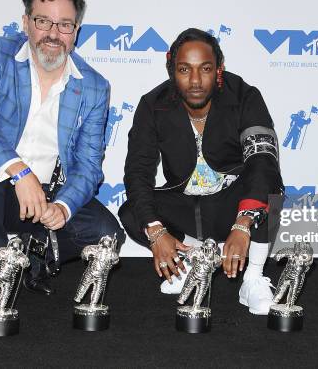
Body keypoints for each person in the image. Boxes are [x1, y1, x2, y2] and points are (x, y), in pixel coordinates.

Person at [0, 0, 124, 307]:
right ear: (26, 22)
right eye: (43, 21)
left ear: (76, 31)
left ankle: (36, 252)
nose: (53, 34)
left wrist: (63, 207)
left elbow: (89, 166)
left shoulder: (95, 87)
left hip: (49, 192)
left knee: (107, 234)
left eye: (65, 25)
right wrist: (20, 173)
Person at [119, 28, 284, 315]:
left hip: (231, 205)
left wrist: (244, 222)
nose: (195, 81)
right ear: (172, 70)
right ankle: (190, 262)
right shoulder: (153, 104)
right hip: (186, 206)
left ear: (219, 69)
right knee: (134, 211)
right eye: (184, 70)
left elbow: (262, 162)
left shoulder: (245, 96)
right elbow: (138, 170)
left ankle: (253, 278)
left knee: (270, 191)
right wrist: (157, 232)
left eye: (205, 69)